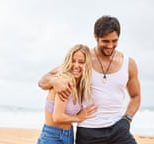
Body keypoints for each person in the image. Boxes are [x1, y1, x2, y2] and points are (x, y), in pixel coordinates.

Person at [38, 15, 141, 144]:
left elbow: (136, 96)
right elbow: (43, 80)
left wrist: (127, 119)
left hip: (118, 129)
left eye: (114, 41)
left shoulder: (128, 63)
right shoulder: (83, 61)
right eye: (105, 41)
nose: (110, 45)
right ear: (95, 37)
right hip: (89, 130)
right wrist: (54, 81)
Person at [37, 44, 97, 144]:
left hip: (69, 135)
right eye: (73, 61)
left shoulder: (80, 84)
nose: (76, 65)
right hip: (52, 137)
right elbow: (57, 117)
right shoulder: (65, 80)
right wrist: (78, 118)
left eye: (81, 62)